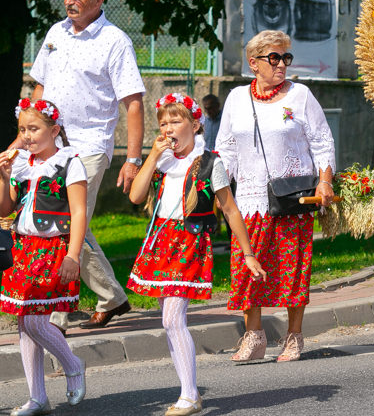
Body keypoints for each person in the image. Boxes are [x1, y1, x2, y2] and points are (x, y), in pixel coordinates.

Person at [23, 0, 145, 331]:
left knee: (63, 219)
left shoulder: (114, 41)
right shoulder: (55, 33)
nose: (69, 2)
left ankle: (56, 317)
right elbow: (39, 89)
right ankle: (111, 297)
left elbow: (134, 103)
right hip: (51, 145)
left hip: (90, 146)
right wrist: (25, 136)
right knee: (76, 223)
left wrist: (134, 159)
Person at [128, 94, 266, 416]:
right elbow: (136, 196)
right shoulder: (162, 160)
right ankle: (188, 392)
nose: (169, 128)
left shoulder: (209, 162)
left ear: (195, 124)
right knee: (169, 323)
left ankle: (189, 396)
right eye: (163, 123)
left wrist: (247, 253)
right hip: (161, 241)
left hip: (190, 241)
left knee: (172, 318)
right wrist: (151, 156)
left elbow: (230, 210)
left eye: (176, 121)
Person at [216, 29, 336, 363]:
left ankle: (294, 336)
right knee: (246, 267)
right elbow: (225, 147)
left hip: (290, 200)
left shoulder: (301, 96)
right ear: (254, 63)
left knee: (291, 269)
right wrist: (219, 186)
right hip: (249, 199)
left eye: (286, 57)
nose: (281, 64)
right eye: (274, 58)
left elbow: (323, 142)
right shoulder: (237, 98)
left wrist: (324, 181)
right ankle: (254, 337)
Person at [0, 99, 87, 415]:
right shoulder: (22, 164)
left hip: (52, 250)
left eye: (33, 129)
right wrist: (3, 176)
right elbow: (5, 210)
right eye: (22, 129)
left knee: (35, 321)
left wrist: (73, 255)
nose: (26, 136)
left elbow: (79, 212)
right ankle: (38, 397)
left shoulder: (69, 163)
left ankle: (72, 364)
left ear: (55, 130)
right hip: (22, 248)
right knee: (24, 322)